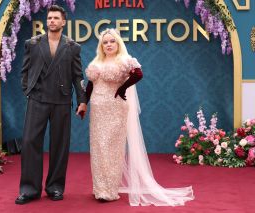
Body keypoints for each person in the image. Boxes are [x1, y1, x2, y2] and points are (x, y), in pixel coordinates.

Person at [85, 28, 194, 206]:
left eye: (112, 41)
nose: (109, 45)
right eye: (105, 42)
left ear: (118, 43)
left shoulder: (125, 60)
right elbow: (90, 86)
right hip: (97, 110)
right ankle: (99, 188)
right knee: (98, 148)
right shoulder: (97, 62)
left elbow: (138, 74)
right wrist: (83, 104)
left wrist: (122, 88)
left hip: (116, 109)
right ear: (101, 46)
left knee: (112, 148)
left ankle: (109, 190)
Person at [15, 5, 87, 205]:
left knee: (60, 146)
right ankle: (29, 190)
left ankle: (55, 187)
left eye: (56, 18)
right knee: (30, 143)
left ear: (63, 22)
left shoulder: (73, 47)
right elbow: (25, 71)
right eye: (49, 18)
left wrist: (82, 100)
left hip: (62, 100)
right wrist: (28, 90)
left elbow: (78, 76)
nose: (52, 21)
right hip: (37, 99)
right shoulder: (33, 43)